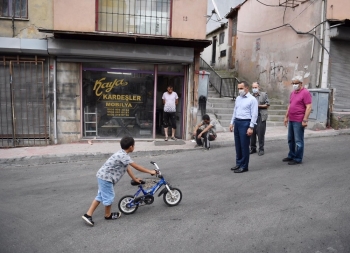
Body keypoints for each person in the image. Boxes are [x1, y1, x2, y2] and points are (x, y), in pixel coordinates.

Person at [82, 136, 156, 226]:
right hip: (106, 178)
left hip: (102, 176)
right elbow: (136, 167)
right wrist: (150, 171)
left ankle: (88, 214)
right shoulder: (123, 156)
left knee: (100, 196)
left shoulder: (122, 154)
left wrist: (135, 179)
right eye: (134, 145)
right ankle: (107, 215)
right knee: (109, 197)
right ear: (131, 147)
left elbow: (127, 168)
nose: (134, 147)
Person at [229, 81, 258, 173]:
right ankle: (239, 163)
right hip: (237, 122)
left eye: (241, 88)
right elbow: (235, 110)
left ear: (247, 88)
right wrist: (232, 122)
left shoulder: (252, 99)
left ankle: (244, 166)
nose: (239, 90)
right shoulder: (238, 98)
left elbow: (254, 114)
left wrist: (251, 127)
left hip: (246, 123)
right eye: (238, 88)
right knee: (238, 145)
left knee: (244, 145)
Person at [283, 75, 312, 165]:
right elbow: (290, 105)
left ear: (301, 83)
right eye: (293, 83)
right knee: (290, 139)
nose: (294, 85)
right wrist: (286, 117)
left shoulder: (305, 93)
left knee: (298, 140)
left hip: (299, 120)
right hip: (291, 119)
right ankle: (291, 155)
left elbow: (309, 107)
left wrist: (305, 120)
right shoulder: (293, 93)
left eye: (296, 83)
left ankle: (298, 158)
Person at [250, 82, 270, 156]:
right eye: (253, 87)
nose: (254, 89)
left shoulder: (264, 95)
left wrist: (258, 106)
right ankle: (253, 148)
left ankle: (261, 149)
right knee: (252, 133)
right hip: (252, 117)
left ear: (259, 87)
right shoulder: (250, 96)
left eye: (256, 87)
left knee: (260, 133)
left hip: (261, 116)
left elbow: (267, 105)